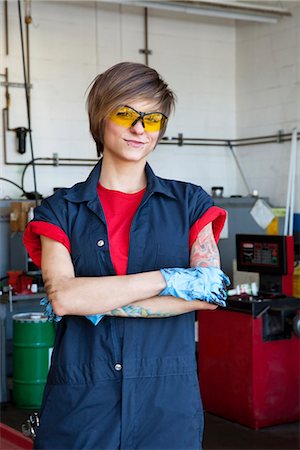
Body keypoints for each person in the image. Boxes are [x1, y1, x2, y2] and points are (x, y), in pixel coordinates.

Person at [23, 61, 229, 450]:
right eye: (126, 114)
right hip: (83, 406)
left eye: (152, 120)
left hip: (166, 407)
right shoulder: (60, 211)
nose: (139, 129)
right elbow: (64, 297)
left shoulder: (190, 204)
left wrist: (94, 299)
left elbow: (207, 293)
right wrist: (171, 279)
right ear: (101, 117)